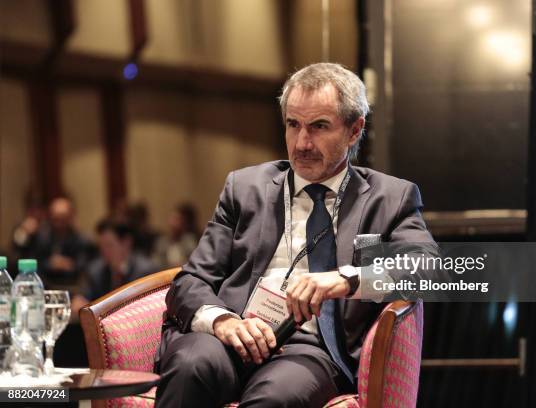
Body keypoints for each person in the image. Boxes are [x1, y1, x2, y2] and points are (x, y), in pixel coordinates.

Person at [155, 63, 436, 408]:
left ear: (354, 130)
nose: (302, 143)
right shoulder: (245, 188)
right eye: (293, 125)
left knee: (274, 398)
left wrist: (345, 280)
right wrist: (221, 320)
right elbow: (191, 279)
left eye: (319, 127)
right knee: (188, 365)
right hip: (232, 332)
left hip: (311, 350)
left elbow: (428, 270)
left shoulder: (389, 198)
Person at [81, 218, 158, 301]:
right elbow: (84, 299)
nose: (103, 251)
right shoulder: (95, 271)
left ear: (126, 243)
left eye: (109, 245)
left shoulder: (146, 272)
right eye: (101, 245)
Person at [153, 203, 200, 268]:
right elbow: (156, 263)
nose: (174, 223)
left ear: (183, 222)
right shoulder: (162, 242)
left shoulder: (190, 241)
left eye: (178, 219)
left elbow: (195, 262)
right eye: (173, 219)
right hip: (165, 274)